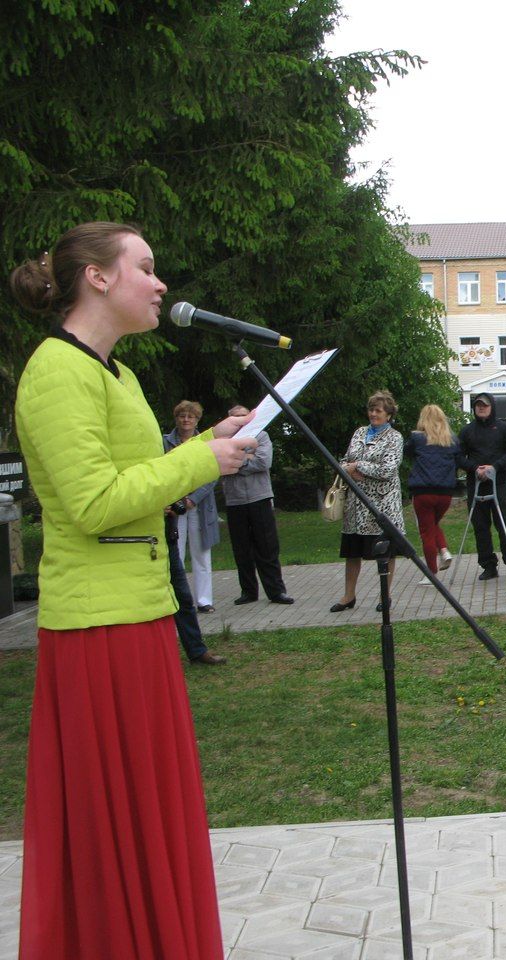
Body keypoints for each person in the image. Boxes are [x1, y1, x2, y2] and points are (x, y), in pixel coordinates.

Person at [12, 221, 256, 957]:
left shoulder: (116, 373)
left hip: (141, 615)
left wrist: (204, 447)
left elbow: (139, 485)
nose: (160, 284)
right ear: (97, 277)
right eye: (145, 268)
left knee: (149, 818)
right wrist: (198, 460)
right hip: (97, 630)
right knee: (110, 826)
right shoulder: (56, 371)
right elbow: (92, 503)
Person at [331, 390, 405, 613]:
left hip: (381, 505)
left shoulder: (395, 438)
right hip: (355, 506)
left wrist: (359, 467)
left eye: (378, 410)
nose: (373, 414)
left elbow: (388, 469)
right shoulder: (359, 433)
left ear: (388, 415)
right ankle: (348, 595)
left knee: (384, 552)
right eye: (371, 409)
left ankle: (385, 595)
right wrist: (348, 468)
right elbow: (345, 459)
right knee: (352, 552)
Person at [221, 403, 292, 605]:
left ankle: (276, 591)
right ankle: (248, 592)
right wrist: (247, 457)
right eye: (235, 418)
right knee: (241, 549)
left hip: (259, 497)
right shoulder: (223, 441)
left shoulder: (261, 436)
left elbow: (263, 462)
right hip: (235, 501)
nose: (240, 421)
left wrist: (238, 461)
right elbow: (223, 466)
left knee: (267, 546)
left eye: (244, 416)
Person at [164, 400, 220, 612]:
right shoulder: (166, 442)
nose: (186, 420)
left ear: (197, 419)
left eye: (191, 416)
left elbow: (212, 473)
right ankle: (178, 599)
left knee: (201, 553)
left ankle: (204, 600)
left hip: (199, 504)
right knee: (175, 554)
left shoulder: (204, 441)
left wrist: (192, 499)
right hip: (174, 504)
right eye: (182, 416)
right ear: (176, 418)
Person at [458, 392, 506, 581]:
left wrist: (495, 467)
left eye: (484, 405)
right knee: (481, 527)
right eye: (478, 405)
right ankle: (488, 565)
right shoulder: (467, 431)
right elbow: (458, 456)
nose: (481, 408)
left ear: (492, 406)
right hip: (476, 484)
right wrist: (475, 468)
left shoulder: (504, 428)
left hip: (499, 484)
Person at [405, 404, 460, 579]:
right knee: (433, 524)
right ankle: (444, 551)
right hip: (445, 492)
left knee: (426, 531)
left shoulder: (417, 438)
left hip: (423, 491)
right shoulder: (451, 440)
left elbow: (406, 452)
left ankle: (431, 573)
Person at [165, 509, 226, 665]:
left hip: (167, 539)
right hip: (145, 544)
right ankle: (159, 656)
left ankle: (197, 651)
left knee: (183, 597)